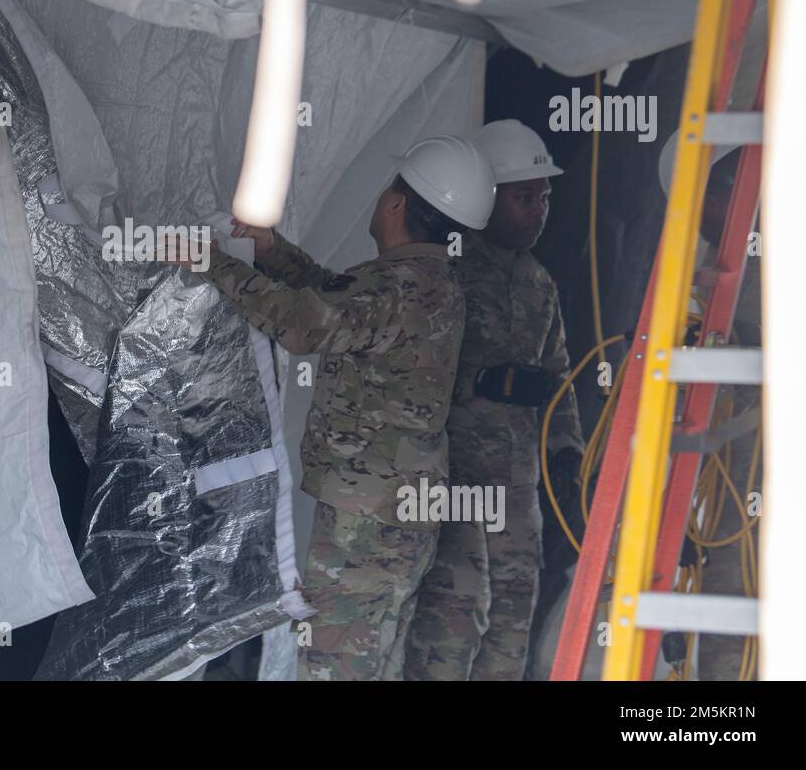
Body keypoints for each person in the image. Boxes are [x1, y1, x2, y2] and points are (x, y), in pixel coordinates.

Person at [171, 136, 495, 680]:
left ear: (396, 204)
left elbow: (305, 324)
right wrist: (275, 253)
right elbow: (337, 300)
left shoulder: (395, 288)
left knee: (334, 665)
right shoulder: (431, 284)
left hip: (365, 524)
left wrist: (215, 265)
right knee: (375, 660)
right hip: (401, 514)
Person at [404, 119, 583, 681]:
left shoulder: (538, 283)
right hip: (452, 482)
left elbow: (559, 378)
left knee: (513, 610)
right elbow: (403, 376)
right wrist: (482, 384)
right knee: (452, 614)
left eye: (545, 198)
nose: (539, 210)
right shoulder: (444, 273)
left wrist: (566, 451)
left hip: (517, 486)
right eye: (525, 197)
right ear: (488, 196)